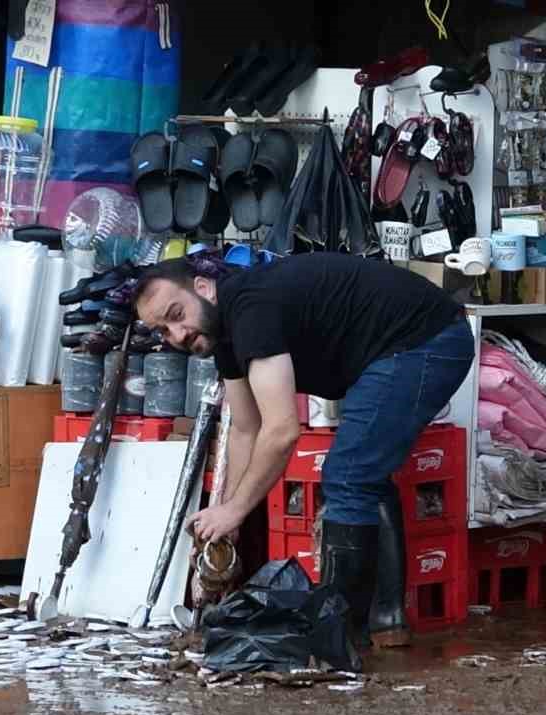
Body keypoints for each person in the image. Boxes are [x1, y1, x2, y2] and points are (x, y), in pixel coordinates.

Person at [133, 252, 475, 647]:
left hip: (426, 338)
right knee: (362, 474)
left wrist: (235, 509)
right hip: (405, 345)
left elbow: (281, 431)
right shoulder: (226, 332)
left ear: (204, 288)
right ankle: (385, 622)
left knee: (348, 475)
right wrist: (227, 519)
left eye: (177, 314)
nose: (176, 335)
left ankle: (338, 638)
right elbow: (246, 429)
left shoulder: (250, 310)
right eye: (163, 331)